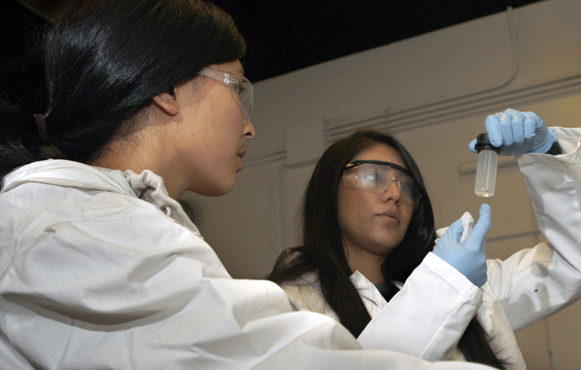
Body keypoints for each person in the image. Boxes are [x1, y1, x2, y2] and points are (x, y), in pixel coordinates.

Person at [0, 0, 500, 369]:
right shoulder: (75, 224)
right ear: (168, 89)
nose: (249, 125)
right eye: (238, 89)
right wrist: (444, 287)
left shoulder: (120, 224)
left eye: (403, 182)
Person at [268, 109, 581, 370]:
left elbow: (579, 261)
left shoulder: (470, 283)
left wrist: (546, 153)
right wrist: (444, 285)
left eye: (406, 185)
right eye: (374, 176)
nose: (394, 194)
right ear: (329, 189)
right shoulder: (293, 306)